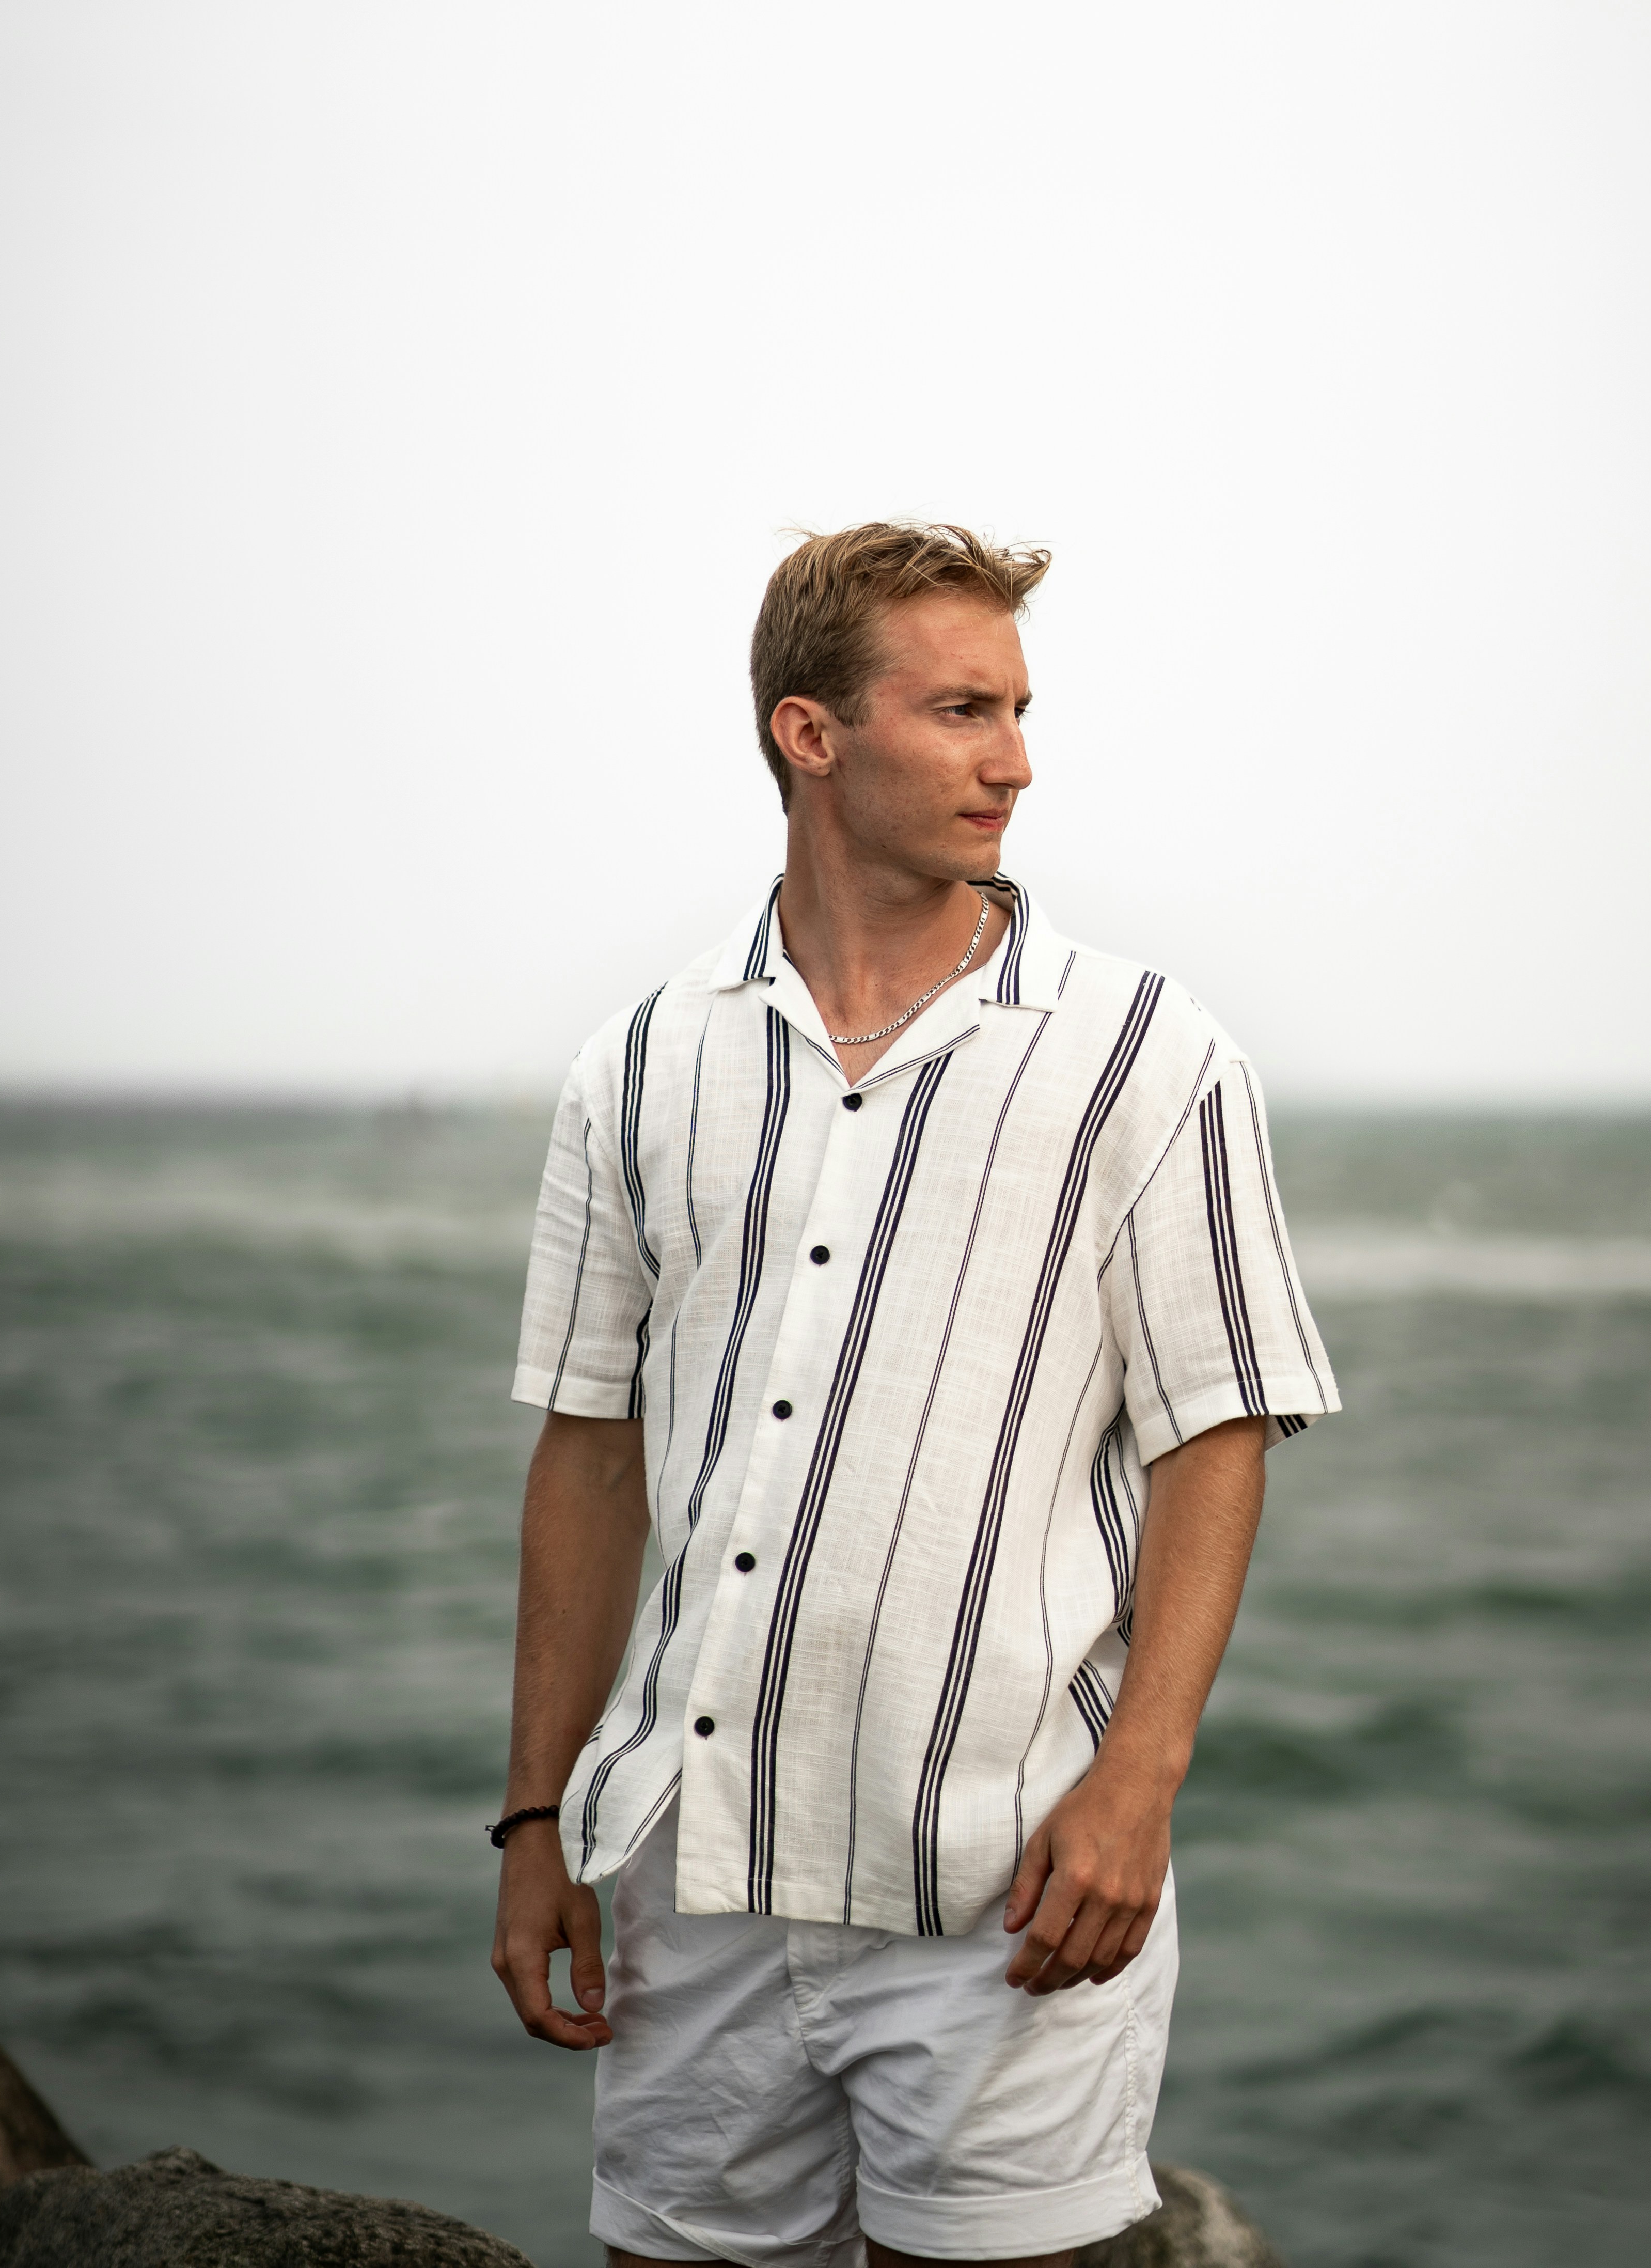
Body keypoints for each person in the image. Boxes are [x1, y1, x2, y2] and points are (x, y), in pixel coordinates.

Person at [491, 522, 1339, 2268]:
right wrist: (531, 1819)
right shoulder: (643, 1060)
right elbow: (589, 1455)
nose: (1012, 760)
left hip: (1000, 1887)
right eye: (961, 710)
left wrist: (1138, 1785)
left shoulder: (1142, 1051)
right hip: (688, 1878)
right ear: (812, 735)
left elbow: (1218, 1428)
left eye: (1019, 710)